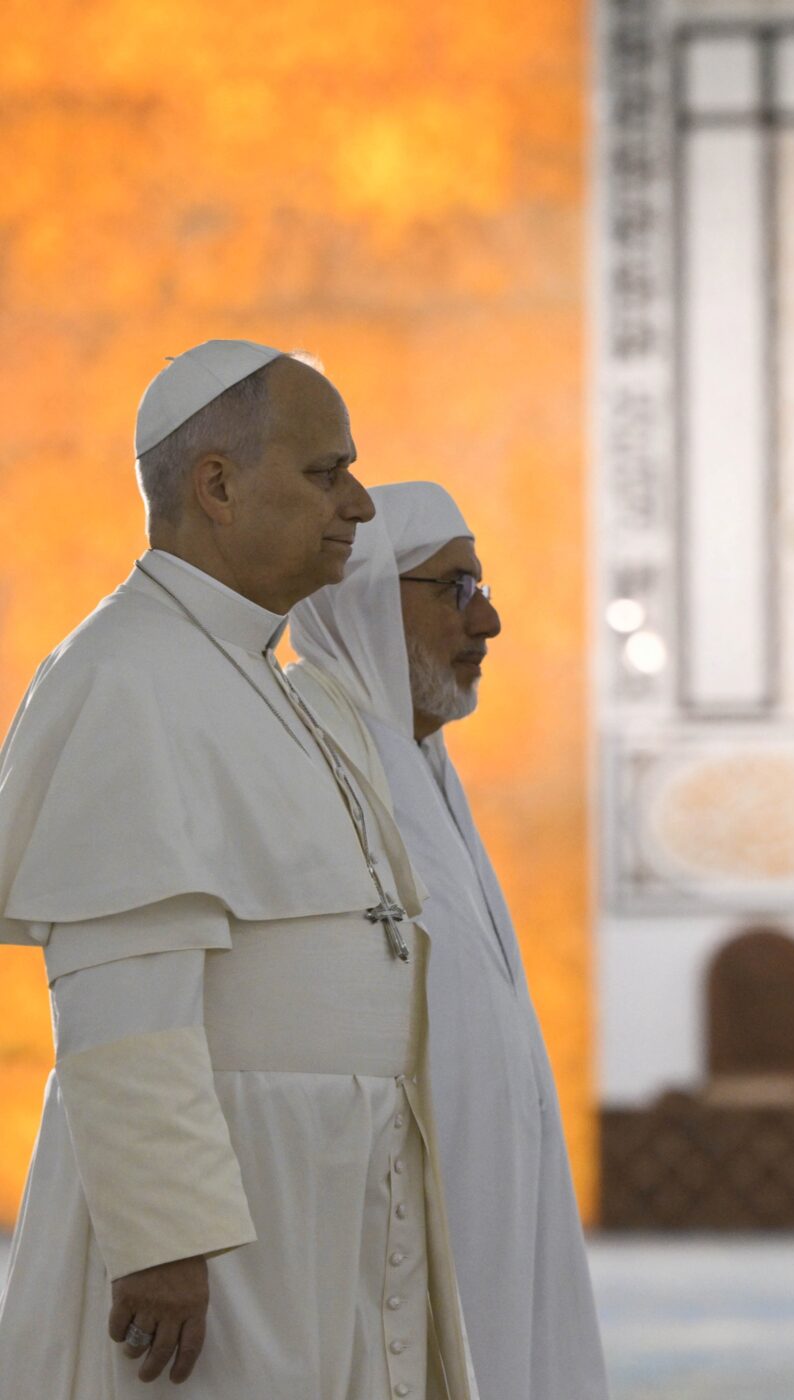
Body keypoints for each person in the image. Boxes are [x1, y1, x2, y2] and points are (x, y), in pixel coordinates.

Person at [0, 343, 475, 1397]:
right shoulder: (129, 674)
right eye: (323, 472)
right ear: (217, 484)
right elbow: (123, 993)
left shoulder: (267, 677)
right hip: (224, 1204)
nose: (356, 501)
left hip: (319, 1177)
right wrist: (164, 1233)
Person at [288, 482, 609, 1400]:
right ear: (364, 601)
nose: (491, 620)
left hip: (482, 1187)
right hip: (371, 1214)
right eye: (455, 587)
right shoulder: (308, 757)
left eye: (483, 585)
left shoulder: (422, 765)